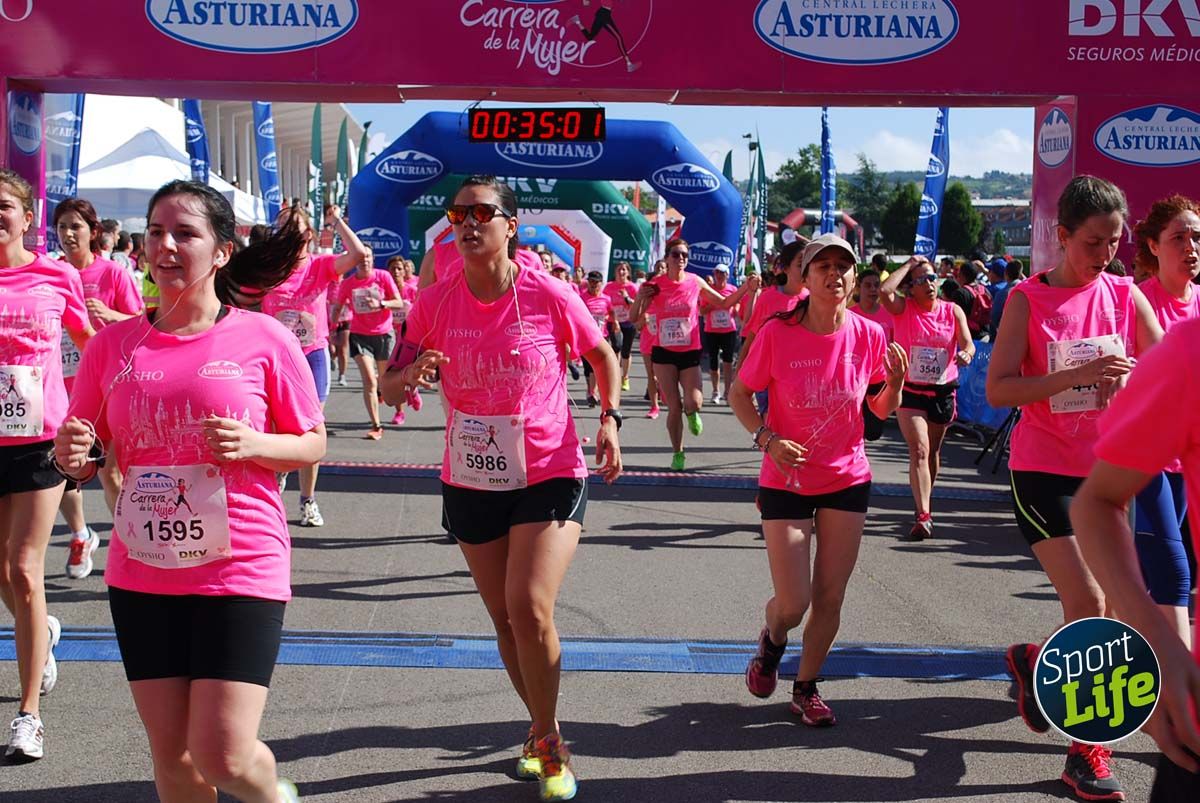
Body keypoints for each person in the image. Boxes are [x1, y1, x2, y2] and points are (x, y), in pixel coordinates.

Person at [53, 179, 323, 802]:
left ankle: (276, 796)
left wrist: (254, 444)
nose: (165, 246)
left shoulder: (265, 338)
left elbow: (312, 442)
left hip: (240, 566)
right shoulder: (113, 346)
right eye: (155, 232)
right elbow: (85, 449)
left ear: (222, 251)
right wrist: (73, 456)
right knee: (174, 758)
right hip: (144, 570)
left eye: (184, 233)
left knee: (223, 754)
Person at [381, 175, 622, 802]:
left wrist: (609, 418)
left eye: (482, 213)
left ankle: (549, 741)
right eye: (457, 213)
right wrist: (410, 374)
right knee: (505, 621)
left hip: (549, 468)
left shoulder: (549, 293)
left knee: (529, 605)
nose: (467, 222)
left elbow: (603, 356)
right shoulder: (434, 302)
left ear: (510, 225)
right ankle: (542, 728)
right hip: (472, 474)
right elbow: (388, 384)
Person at [986, 175, 1163, 803]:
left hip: (1108, 473)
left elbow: (1165, 371)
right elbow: (999, 389)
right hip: (1043, 470)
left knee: (1107, 604)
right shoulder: (1027, 300)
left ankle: (1040, 662)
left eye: (1115, 241)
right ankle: (1087, 751)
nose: (1106, 254)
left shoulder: (1124, 293)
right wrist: (1076, 375)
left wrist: (1131, 382)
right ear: (1061, 237)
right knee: (1089, 600)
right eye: (1093, 242)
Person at [732, 234, 907, 726]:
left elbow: (878, 411)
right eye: (823, 266)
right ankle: (773, 640)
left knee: (830, 597)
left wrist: (895, 385)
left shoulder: (870, 334)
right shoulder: (777, 333)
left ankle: (806, 687)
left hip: (846, 476)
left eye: (843, 266)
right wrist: (768, 439)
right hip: (786, 477)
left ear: (854, 277)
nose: (835, 274)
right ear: (805, 277)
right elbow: (740, 394)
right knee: (794, 602)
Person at [1070, 317, 1200, 803]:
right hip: (1056, 462)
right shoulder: (1190, 351)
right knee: (1111, 593)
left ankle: (1040, 660)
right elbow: (1097, 503)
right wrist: (1161, 650)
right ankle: (1085, 736)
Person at [0, 169, 93, 760]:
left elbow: (89, 344)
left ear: (27, 217)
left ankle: (28, 714)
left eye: (4, 205)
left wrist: (89, 415)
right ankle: (44, 632)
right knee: (3, 573)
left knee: (23, 566)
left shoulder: (57, 275)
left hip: (40, 438)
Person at [53, 197, 144, 579]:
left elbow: (142, 322)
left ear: (93, 232)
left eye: (75, 226)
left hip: (108, 386)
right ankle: (80, 534)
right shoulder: (52, 273)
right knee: (63, 469)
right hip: (59, 386)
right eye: (61, 227)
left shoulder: (112, 274)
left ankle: (131, 543)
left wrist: (111, 315)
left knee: (111, 474)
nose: (68, 234)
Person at [261, 203, 367, 527]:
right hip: (275, 358)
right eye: (281, 227)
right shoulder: (267, 269)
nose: (287, 233)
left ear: (308, 233)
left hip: (312, 355)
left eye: (293, 227)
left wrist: (335, 222)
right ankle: (278, 477)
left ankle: (307, 500)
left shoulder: (320, 266)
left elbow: (358, 254)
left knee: (310, 429)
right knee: (275, 427)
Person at [1126, 195, 1200, 646]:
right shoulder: (1139, 303)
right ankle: (1179, 684)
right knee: (1173, 574)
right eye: (1179, 238)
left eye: (1197, 237)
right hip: (1145, 461)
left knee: (1138, 579)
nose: (1191, 246)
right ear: (1153, 246)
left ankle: (1043, 659)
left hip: (1188, 461)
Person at [631, 238, 758, 471]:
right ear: (667, 258)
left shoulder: (694, 281)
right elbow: (633, 318)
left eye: (684, 255)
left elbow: (724, 302)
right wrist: (640, 297)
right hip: (663, 352)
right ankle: (678, 453)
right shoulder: (656, 285)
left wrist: (745, 288)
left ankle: (692, 413)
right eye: (676, 254)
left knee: (694, 401)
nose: (681, 259)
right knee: (674, 406)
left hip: (689, 351)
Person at [881, 256, 974, 540]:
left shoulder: (952, 310)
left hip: (942, 390)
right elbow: (885, 290)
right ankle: (923, 514)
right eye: (921, 280)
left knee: (932, 452)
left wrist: (967, 354)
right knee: (919, 450)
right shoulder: (903, 308)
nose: (929, 284)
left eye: (932, 278)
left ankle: (924, 498)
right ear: (911, 287)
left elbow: (968, 343)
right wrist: (910, 264)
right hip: (910, 390)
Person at [332, 248, 405, 439]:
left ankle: (398, 408)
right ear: (355, 261)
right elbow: (338, 307)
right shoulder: (348, 284)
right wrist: (331, 329)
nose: (364, 260)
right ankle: (376, 425)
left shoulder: (383, 277)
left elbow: (398, 302)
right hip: (360, 335)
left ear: (373, 259)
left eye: (368, 257)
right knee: (370, 381)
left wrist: (382, 304)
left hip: (383, 334)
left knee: (386, 379)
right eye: (361, 257)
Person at [735, 241, 810, 419]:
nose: (806, 269)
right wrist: (740, 373)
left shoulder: (812, 299)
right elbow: (752, 337)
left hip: (800, 376)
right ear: (785, 268)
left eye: (809, 263)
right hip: (768, 374)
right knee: (770, 420)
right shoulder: (768, 298)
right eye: (800, 264)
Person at [387, 256, 421, 426]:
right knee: (395, 373)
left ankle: (413, 390)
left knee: (410, 370)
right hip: (389, 335)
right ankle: (399, 412)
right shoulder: (384, 291)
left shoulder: (412, 290)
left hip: (410, 336)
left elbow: (422, 309)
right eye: (393, 268)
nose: (396, 272)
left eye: (399, 268)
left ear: (404, 271)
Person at [700, 264, 740, 404]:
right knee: (713, 361)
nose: (719, 276)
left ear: (727, 275)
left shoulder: (732, 289)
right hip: (712, 330)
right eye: (717, 273)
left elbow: (737, 303)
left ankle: (727, 391)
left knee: (728, 361)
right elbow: (701, 311)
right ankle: (715, 391)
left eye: (722, 273)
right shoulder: (709, 290)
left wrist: (734, 309)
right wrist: (714, 304)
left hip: (728, 330)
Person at [581, 270, 618, 407]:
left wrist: (615, 322)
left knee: (595, 365)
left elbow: (611, 312)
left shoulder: (606, 299)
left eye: (596, 283)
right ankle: (590, 390)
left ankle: (593, 392)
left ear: (601, 284)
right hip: (585, 336)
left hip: (601, 336)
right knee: (588, 367)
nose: (593, 285)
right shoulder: (581, 298)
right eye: (591, 282)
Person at [603, 261, 638, 392]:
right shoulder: (609, 287)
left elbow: (637, 305)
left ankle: (626, 376)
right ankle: (616, 374)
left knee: (626, 351)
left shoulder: (632, 287)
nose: (621, 272)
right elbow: (604, 302)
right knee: (616, 347)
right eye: (619, 269)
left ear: (628, 272)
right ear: (615, 272)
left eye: (624, 269)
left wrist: (626, 297)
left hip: (629, 322)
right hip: (614, 321)